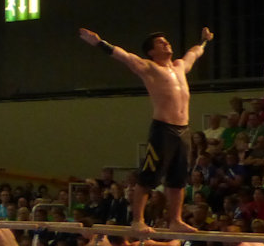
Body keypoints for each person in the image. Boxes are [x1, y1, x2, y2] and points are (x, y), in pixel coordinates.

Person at [78, 26, 212, 232]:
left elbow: (194, 53)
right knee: (148, 177)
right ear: (151, 52)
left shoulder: (179, 67)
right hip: (163, 129)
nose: (167, 43)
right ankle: (137, 219)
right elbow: (124, 56)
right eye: (161, 42)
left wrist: (204, 41)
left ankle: (175, 219)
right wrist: (98, 42)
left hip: (184, 130)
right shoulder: (149, 67)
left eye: (166, 41)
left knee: (178, 179)